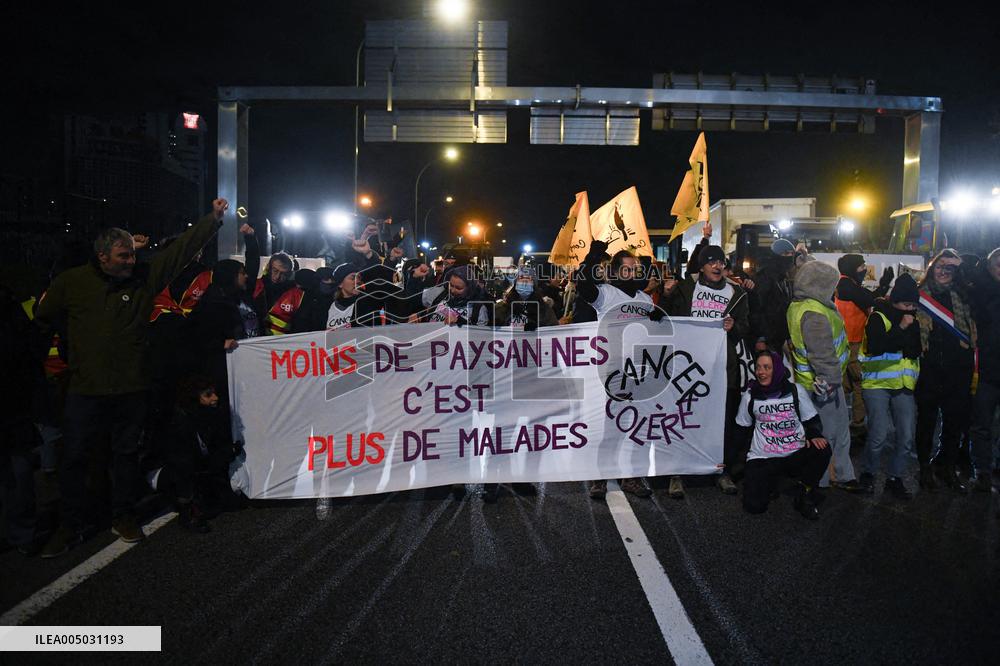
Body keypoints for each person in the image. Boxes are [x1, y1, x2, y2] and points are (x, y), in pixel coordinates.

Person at [34, 199, 225, 556]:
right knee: (74, 458)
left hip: (130, 388)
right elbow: (45, 318)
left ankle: (122, 515)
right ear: (102, 256)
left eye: (132, 255)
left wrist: (212, 220)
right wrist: (76, 353)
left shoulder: (143, 279)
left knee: (125, 456)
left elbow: (179, 252)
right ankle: (71, 524)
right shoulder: (71, 283)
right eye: (123, 256)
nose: (131, 261)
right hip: (85, 389)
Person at [661, 244, 750, 498]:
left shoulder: (736, 293)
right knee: (683, 418)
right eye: (711, 262)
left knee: (721, 422)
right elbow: (665, 319)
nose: (717, 266)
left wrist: (734, 327)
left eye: (721, 262)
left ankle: (721, 470)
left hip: (721, 369)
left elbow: (746, 327)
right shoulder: (685, 288)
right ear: (701, 267)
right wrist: (666, 295)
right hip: (688, 368)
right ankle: (676, 473)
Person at [575, 240, 653, 499]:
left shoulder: (645, 298)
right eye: (626, 269)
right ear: (616, 271)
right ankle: (600, 477)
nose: (630, 274)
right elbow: (583, 286)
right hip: (613, 371)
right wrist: (591, 258)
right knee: (610, 426)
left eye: (634, 269)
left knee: (638, 426)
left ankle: (632, 477)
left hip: (640, 371)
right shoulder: (606, 294)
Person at [786, 260, 860, 491]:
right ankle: (823, 479)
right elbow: (822, 354)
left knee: (836, 432)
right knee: (830, 434)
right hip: (822, 385)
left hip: (820, 382)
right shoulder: (814, 313)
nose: (835, 289)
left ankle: (838, 474)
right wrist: (829, 381)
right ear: (820, 285)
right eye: (831, 284)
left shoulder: (805, 306)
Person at [736, 350, 831, 519]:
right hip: (764, 457)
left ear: (777, 369)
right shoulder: (750, 396)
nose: (761, 372)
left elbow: (812, 420)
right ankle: (770, 483)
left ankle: (804, 491)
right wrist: (726, 462)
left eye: (767, 367)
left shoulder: (795, 391)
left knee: (822, 448)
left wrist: (814, 434)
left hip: (794, 453)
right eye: (758, 367)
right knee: (754, 507)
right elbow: (740, 431)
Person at [914, 249, 977, 492]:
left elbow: (979, 278)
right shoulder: (919, 295)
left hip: (958, 368)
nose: (943, 272)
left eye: (950, 268)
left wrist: (960, 263)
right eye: (939, 266)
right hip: (929, 368)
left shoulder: (964, 295)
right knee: (926, 422)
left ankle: (947, 467)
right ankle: (924, 468)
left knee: (954, 422)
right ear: (931, 268)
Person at [857, 274, 921, 499]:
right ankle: (868, 474)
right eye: (906, 304)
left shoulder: (914, 320)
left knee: (906, 436)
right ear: (895, 301)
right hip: (877, 383)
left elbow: (914, 350)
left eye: (913, 305)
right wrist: (901, 328)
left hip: (903, 385)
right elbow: (877, 346)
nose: (910, 309)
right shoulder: (878, 317)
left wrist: (904, 334)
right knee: (878, 435)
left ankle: (895, 477)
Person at [155, 376, 238, 533]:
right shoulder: (180, 423)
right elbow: (180, 461)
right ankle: (188, 510)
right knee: (185, 465)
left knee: (228, 502)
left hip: (198, 465)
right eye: (208, 395)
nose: (215, 398)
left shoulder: (211, 416)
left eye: (214, 393)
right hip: (172, 473)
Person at [0, 282, 46, 555]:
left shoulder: (10, 309)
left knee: (18, 472)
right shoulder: (11, 308)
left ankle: (21, 532)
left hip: (12, 403)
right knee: (18, 471)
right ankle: (21, 532)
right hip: (14, 402)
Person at [834, 254, 894, 442]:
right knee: (858, 383)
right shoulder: (847, 286)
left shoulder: (847, 284)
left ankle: (843, 425)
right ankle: (854, 425)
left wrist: (883, 285)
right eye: (861, 266)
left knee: (848, 385)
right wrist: (884, 289)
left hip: (848, 342)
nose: (864, 269)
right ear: (852, 268)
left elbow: (869, 298)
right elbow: (871, 300)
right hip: (852, 343)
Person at [186, 259, 252, 416]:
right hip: (217, 369)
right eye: (242, 273)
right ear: (230, 276)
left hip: (231, 366)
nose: (246, 276)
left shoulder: (232, 297)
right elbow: (196, 336)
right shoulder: (213, 303)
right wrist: (220, 343)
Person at [969, 248, 1000, 492]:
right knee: (982, 424)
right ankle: (982, 471)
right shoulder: (978, 292)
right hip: (986, 371)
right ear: (990, 267)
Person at [749, 238, 797, 352]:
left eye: (792, 254)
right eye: (786, 253)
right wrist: (760, 338)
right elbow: (756, 309)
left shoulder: (783, 278)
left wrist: (787, 335)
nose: (789, 257)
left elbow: (784, 309)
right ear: (776, 255)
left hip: (778, 337)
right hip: (767, 340)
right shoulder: (765, 277)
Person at [494, 266, 559, 331]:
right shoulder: (503, 307)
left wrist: (537, 329)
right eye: (521, 279)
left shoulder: (544, 309)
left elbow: (553, 331)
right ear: (515, 283)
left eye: (528, 279)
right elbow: (494, 329)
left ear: (533, 284)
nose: (524, 282)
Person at [291, 267, 336, 333]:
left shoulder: (339, 298)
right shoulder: (304, 297)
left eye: (333, 279)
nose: (330, 282)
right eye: (326, 279)